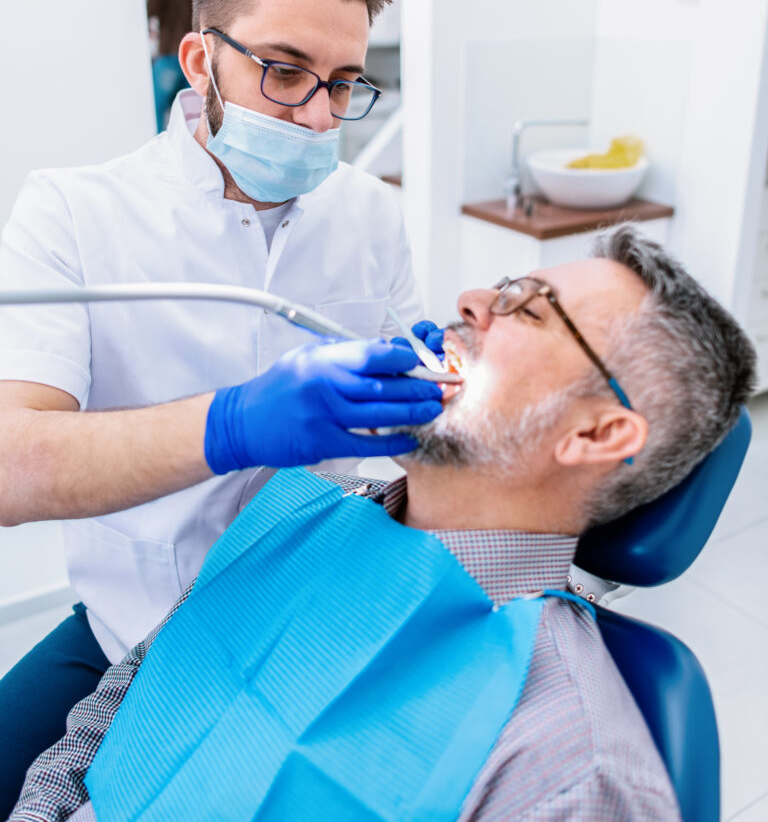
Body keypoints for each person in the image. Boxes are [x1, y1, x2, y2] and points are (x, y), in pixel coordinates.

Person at [10, 228, 756, 822]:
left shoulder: (564, 760)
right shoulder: (291, 510)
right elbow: (127, 697)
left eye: (527, 309)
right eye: (501, 288)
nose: (469, 300)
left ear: (595, 436)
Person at [0, 0, 443, 813]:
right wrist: (229, 425)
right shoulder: (75, 215)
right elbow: (9, 465)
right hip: (135, 630)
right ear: (200, 61)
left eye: (345, 83)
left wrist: (440, 406)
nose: (319, 115)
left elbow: (423, 433)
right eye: (285, 72)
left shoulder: (368, 211)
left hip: (308, 625)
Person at [146, 0, 196, 131]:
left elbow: (151, 10)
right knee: (189, 113)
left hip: (168, 53)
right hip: (192, 57)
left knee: (158, 110)